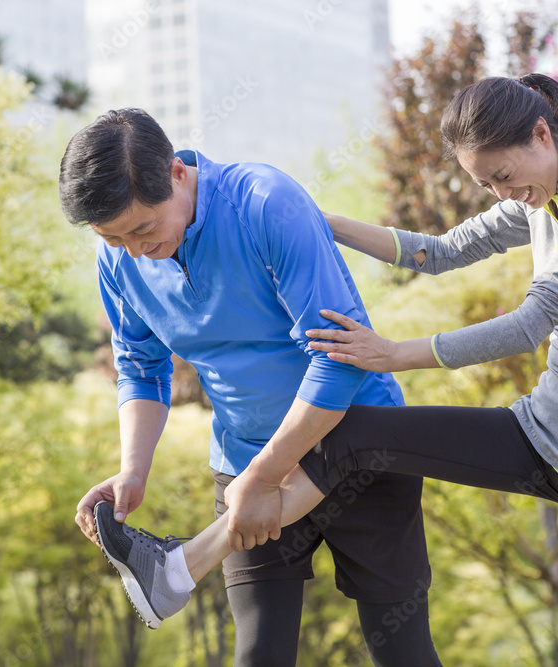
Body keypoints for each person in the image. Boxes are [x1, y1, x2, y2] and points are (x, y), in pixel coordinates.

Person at [92, 74, 558, 666]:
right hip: (542, 429)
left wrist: (393, 353)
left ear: (543, 134)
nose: (501, 194)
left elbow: (530, 325)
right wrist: (316, 220)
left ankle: (175, 570)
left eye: (501, 176)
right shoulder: (543, 196)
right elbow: (439, 252)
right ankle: (174, 572)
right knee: (353, 435)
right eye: (485, 183)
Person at [60, 108, 439, 666]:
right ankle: (174, 569)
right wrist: (132, 472)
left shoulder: (265, 202)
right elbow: (141, 368)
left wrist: (264, 479)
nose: (135, 251)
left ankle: (174, 570)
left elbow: (339, 360)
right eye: (113, 238)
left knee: (401, 649)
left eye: (143, 228)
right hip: (243, 459)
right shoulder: (118, 259)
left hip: (359, 444)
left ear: (176, 174)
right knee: (258, 653)